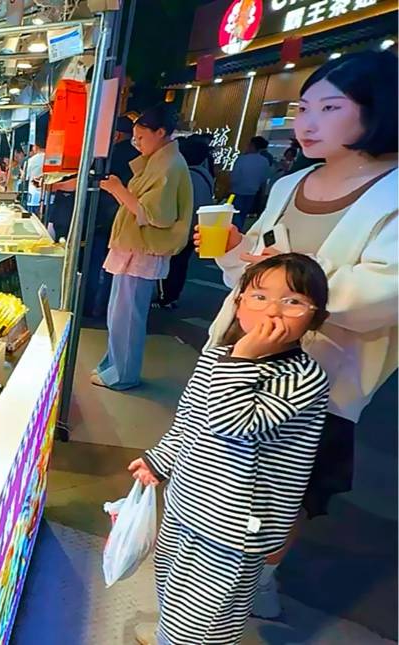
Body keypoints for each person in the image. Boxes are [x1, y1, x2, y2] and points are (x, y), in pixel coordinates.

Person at [200, 50, 398, 618]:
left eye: (330, 108)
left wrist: (294, 279)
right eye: (303, 108)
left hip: (320, 376)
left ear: (378, 109)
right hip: (243, 354)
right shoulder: (291, 183)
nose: (307, 123)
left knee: (284, 491)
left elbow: (385, 293)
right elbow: (256, 270)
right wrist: (237, 253)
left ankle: (257, 580)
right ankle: (212, 583)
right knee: (221, 474)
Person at [130, 253, 331, 645]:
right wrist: (160, 461)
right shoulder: (219, 358)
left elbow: (233, 423)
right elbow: (190, 420)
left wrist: (244, 357)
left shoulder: (303, 378)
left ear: (315, 318)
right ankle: (168, 632)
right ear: (238, 305)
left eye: (292, 301)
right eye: (259, 296)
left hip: (235, 528)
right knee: (171, 583)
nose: (273, 310)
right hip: (187, 502)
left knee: (207, 619)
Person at [92, 105, 193, 391]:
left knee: (127, 318)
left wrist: (117, 189)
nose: (136, 143)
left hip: (143, 251)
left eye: (141, 137)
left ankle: (123, 375)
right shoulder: (160, 161)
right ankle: (113, 367)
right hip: (133, 248)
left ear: (160, 133)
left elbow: (154, 215)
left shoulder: (169, 165)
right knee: (118, 315)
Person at [83, 114, 140, 318]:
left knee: (93, 263)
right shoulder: (140, 158)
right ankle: (106, 308)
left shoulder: (108, 157)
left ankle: (87, 306)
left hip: (103, 217)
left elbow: (90, 181)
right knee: (116, 269)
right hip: (126, 220)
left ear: (115, 135)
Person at [154, 136, 216, 309]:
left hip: (179, 227)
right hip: (195, 227)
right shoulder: (205, 175)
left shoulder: (183, 175)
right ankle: (173, 296)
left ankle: (165, 297)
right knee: (181, 264)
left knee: (170, 264)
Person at [229, 136, 274, 229]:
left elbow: (235, 176)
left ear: (252, 145)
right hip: (252, 192)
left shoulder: (242, 159)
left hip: (237, 191)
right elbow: (264, 178)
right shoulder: (264, 161)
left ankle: (234, 230)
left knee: (234, 214)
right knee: (243, 214)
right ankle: (239, 230)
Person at [23, 142, 46, 214]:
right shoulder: (51, 159)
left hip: (33, 197)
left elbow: (25, 178)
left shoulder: (30, 161)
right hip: (48, 198)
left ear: (35, 147)